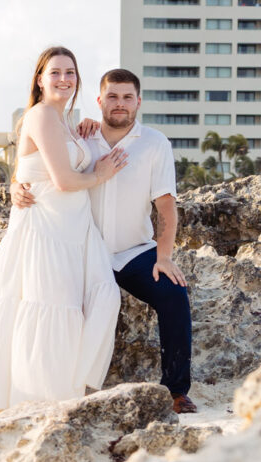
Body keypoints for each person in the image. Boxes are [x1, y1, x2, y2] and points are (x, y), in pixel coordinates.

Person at [12, 69, 197, 414]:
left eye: (127, 97)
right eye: (112, 97)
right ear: (99, 101)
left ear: (138, 102)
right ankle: (68, 386)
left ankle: (176, 391)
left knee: (174, 294)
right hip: (84, 250)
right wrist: (15, 186)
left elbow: (166, 206)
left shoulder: (155, 143)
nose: (120, 104)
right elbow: (40, 165)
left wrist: (164, 256)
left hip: (134, 252)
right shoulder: (82, 137)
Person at [0, 47, 129, 411]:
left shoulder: (65, 121)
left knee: (99, 298)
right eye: (55, 72)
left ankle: (67, 387)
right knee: (49, 307)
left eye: (70, 72)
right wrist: (100, 174)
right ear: (40, 80)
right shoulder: (41, 115)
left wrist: (87, 132)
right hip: (45, 228)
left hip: (73, 228)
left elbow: (28, 166)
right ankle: (40, 398)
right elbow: (64, 180)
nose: (64, 79)